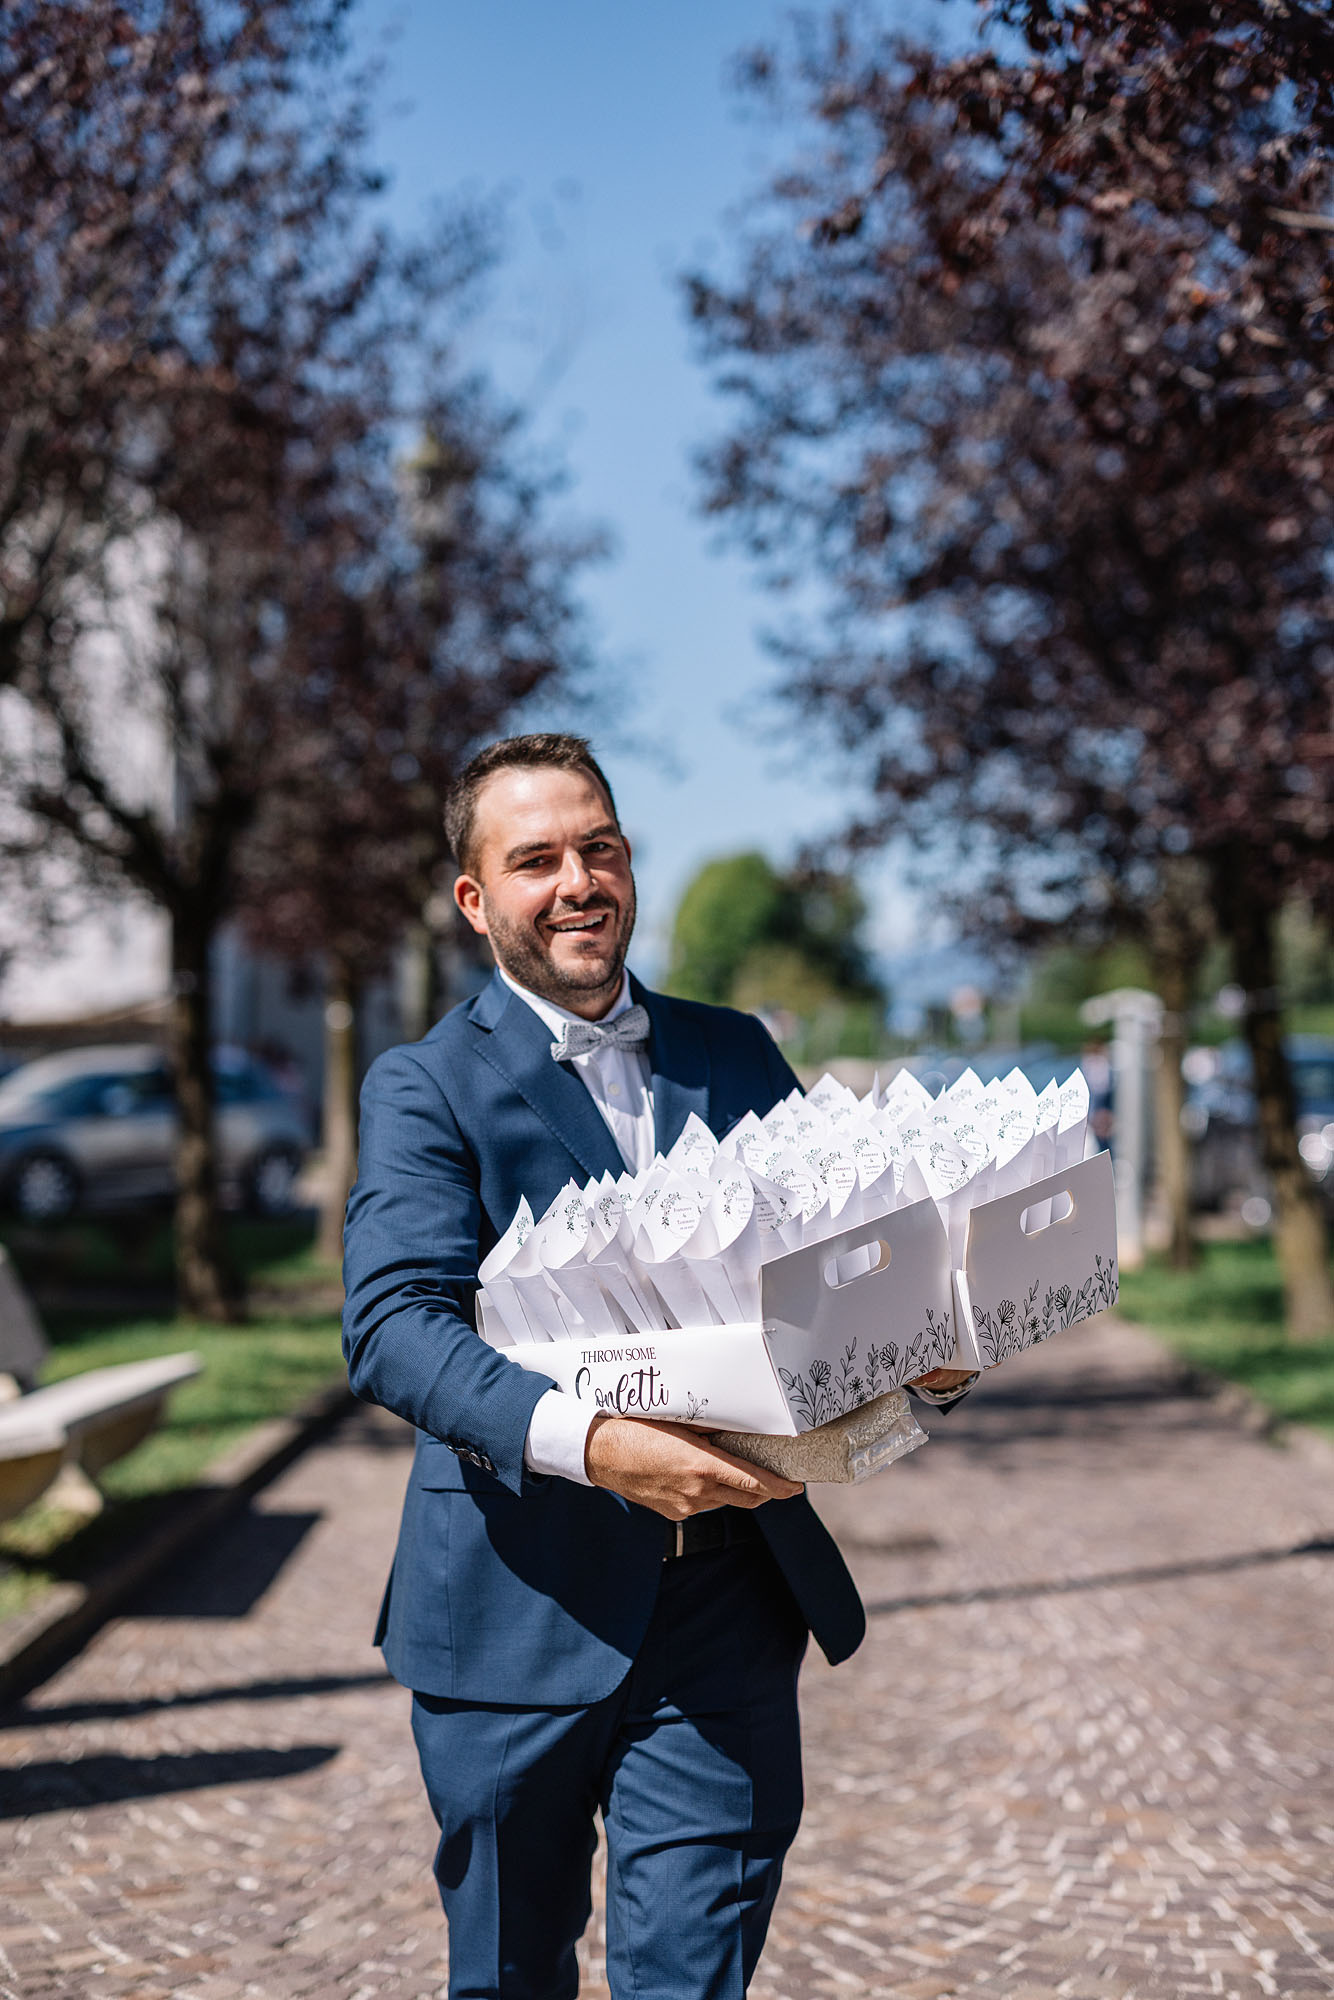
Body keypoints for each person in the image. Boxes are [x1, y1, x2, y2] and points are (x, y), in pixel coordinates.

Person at [341, 734, 974, 2000]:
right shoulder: (424, 1086)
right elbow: (394, 1326)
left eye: (601, 847)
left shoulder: (733, 1050)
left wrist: (918, 1353)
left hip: (726, 1609)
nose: (579, 880)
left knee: (692, 1980)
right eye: (537, 860)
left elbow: (825, 1278)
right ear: (475, 900)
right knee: (510, 1974)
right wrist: (597, 1444)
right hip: (517, 1609)